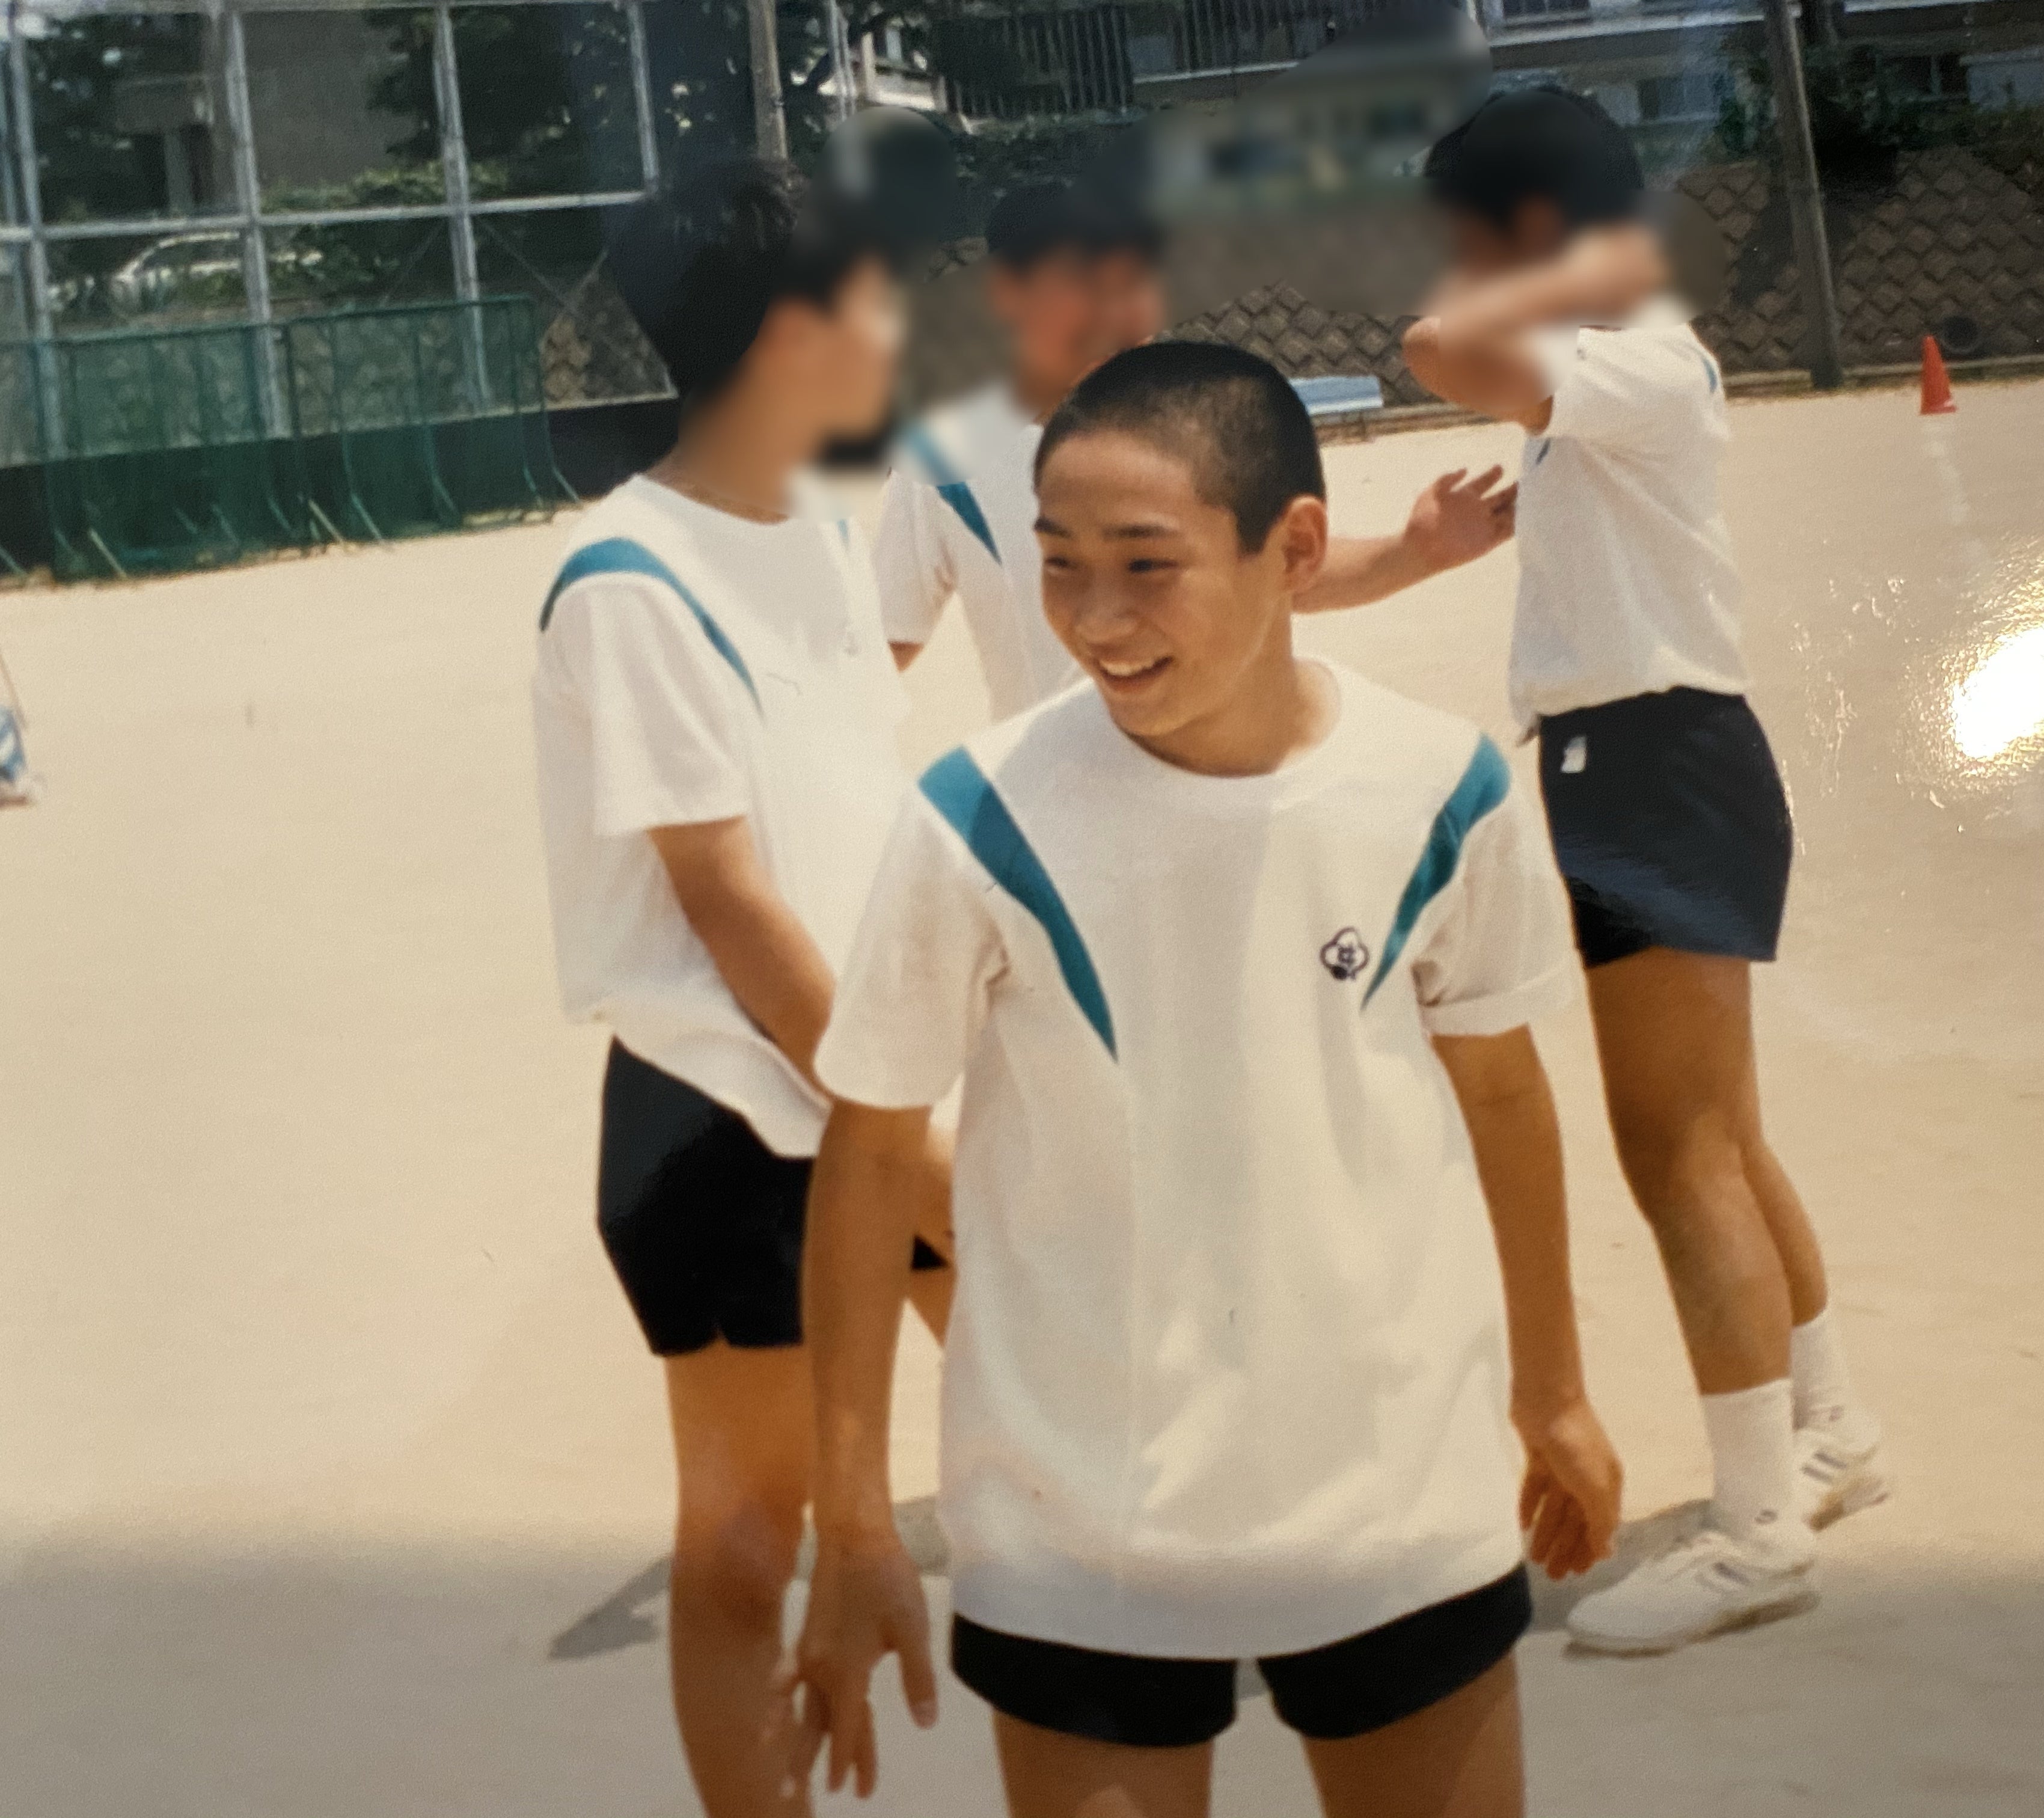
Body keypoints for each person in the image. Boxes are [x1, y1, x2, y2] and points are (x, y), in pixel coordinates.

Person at [784, 343, 1622, 1818]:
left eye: (1146, 566)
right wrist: (851, 1509)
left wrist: (1554, 1394)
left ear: (1293, 549)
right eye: (1058, 564)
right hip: (1079, 1522)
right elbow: (866, 1149)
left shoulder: (1443, 788)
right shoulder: (974, 820)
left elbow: (1504, 1094)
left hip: (1393, 1490)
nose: (1094, 620)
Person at [1401, 90, 1886, 1658]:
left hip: (1653, 766)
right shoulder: (1628, 355)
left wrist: (1545, 272)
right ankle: (1828, 1430)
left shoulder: (1632, 352)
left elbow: (1435, 345)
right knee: (1721, 1137)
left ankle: (1756, 1534)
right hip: (1661, 761)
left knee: (1675, 1153)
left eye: (1479, 239)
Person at [529, 157, 954, 1818]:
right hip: (733, 1117)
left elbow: (859, 830)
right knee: (741, 1541)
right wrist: (901, 1132)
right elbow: (730, 905)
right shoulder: (627, 579)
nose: (899, 329)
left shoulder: (828, 540)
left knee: (1044, 1454)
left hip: (878, 1085)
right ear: (787, 334)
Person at [877, 178, 1519, 724]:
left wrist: (1414, 551)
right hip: (1055, 800)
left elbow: (1283, 576)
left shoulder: (1212, 420)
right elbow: (885, 639)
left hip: (1231, 780)